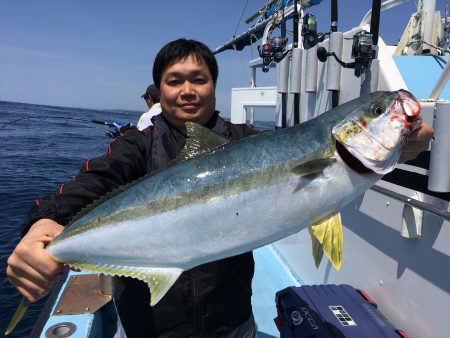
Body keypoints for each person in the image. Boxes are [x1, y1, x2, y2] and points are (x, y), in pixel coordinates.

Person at [6, 38, 434, 338]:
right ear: (160, 91)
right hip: (149, 327)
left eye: (199, 79)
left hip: (230, 324)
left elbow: (381, 155)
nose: (188, 90)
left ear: (214, 85)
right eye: (175, 81)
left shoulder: (247, 140)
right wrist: (45, 223)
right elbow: (93, 180)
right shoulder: (137, 145)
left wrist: (408, 145)